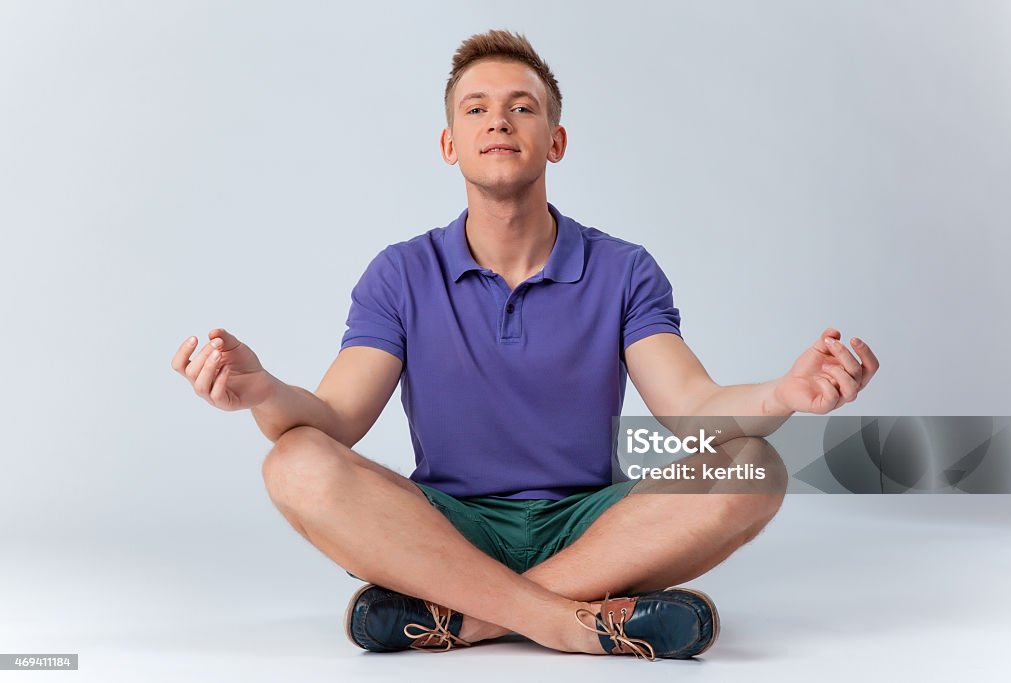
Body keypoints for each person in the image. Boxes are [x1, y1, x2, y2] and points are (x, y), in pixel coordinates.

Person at [171, 29, 879, 661]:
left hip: (591, 527)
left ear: (556, 140)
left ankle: (462, 618)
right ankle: (576, 623)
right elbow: (334, 417)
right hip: (445, 525)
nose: (498, 120)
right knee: (293, 459)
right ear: (450, 144)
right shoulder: (401, 272)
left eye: (522, 106)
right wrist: (262, 391)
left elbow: (692, 406)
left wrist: (785, 394)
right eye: (475, 108)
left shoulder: (623, 269)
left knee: (754, 464)